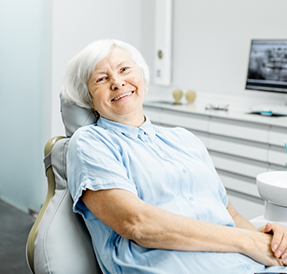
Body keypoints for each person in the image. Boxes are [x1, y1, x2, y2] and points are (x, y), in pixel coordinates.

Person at [63, 39, 287, 274]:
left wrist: (271, 242)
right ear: (90, 99)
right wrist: (248, 242)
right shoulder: (91, 143)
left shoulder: (185, 139)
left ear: (143, 79)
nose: (118, 82)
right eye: (101, 79)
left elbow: (228, 213)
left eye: (124, 69)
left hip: (246, 264)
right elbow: (137, 224)